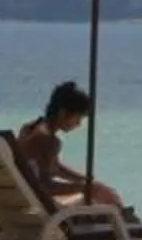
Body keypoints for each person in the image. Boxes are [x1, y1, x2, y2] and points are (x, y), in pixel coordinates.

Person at [13, 81, 121, 210]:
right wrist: (86, 188)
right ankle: (127, 226)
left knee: (100, 191)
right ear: (63, 112)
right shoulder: (49, 141)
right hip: (46, 211)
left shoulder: (29, 128)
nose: (79, 124)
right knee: (109, 201)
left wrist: (85, 180)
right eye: (78, 118)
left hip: (26, 201)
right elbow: (45, 186)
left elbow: (54, 167)